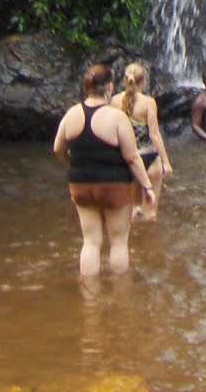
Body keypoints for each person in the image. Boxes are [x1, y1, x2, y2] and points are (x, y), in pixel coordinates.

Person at [52, 63, 155, 278]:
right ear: (109, 87)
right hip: (114, 186)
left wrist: (70, 166)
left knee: (90, 242)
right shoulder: (116, 117)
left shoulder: (71, 114)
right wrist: (147, 186)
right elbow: (132, 157)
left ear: (86, 87)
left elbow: (57, 148)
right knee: (118, 243)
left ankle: (91, 299)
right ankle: (120, 299)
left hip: (80, 185)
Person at [117, 62, 173, 221]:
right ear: (144, 81)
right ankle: (149, 244)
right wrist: (165, 162)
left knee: (133, 210)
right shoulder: (148, 102)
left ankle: (134, 244)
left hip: (127, 159)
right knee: (150, 212)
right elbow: (154, 134)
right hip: (148, 156)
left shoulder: (115, 100)